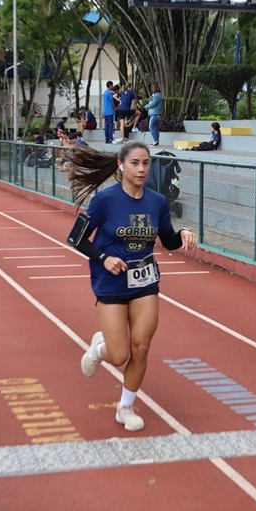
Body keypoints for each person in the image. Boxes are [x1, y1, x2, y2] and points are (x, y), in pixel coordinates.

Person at [68, 141, 198, 431]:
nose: (141, 169)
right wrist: (104, 258)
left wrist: (184, 233)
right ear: (121, 166)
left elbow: (169, 240)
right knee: (119, 355)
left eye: (146, 163)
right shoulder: (105, 200)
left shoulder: (157, 201)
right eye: (135, 163)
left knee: (141, 347)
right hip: (111, 284)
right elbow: (75, 238)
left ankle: (125, 407)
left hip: (145, 282)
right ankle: (99, 348)